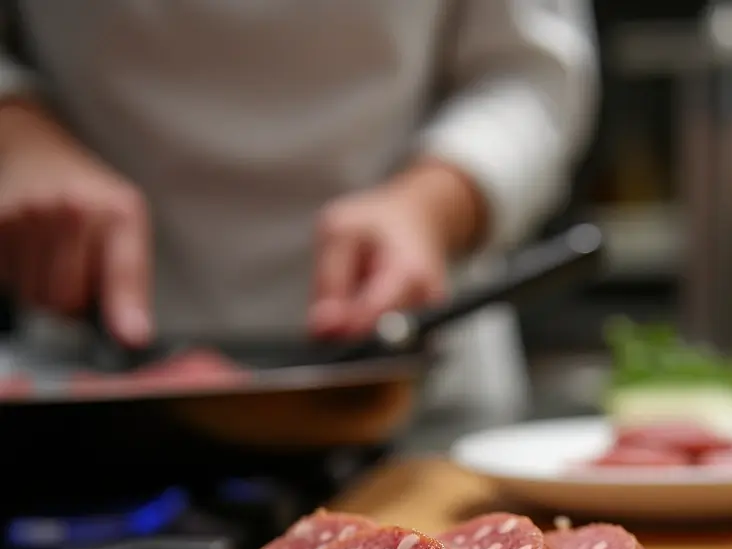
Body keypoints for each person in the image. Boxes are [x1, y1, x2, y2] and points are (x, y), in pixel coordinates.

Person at [0, 2, 598, 414]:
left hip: (402, 382)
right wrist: (15, 132)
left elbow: (531, 75)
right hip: (83, 383)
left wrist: (429, 204)